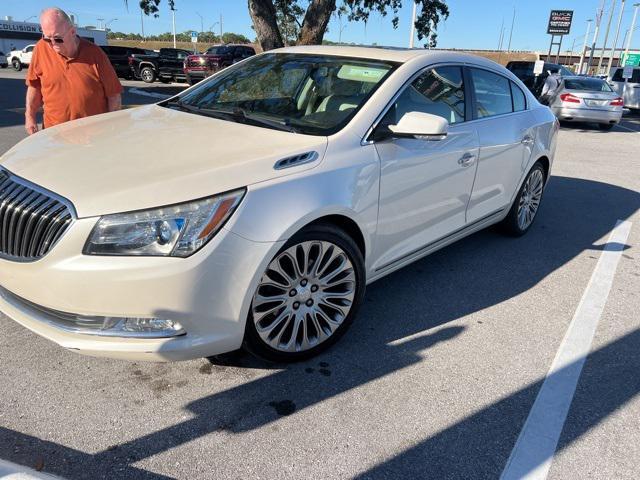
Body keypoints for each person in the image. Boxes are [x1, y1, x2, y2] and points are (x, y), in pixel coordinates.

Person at [25, 7, 122, 135]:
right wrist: (29, 116)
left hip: (93, 137)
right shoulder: (40, 49)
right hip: (54, 135)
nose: (53, 44)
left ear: (72, 32)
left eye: (58, 38)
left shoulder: (95, 54)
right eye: (47, 38)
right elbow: (34, 86)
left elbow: (114, 96)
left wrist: (112, 129)